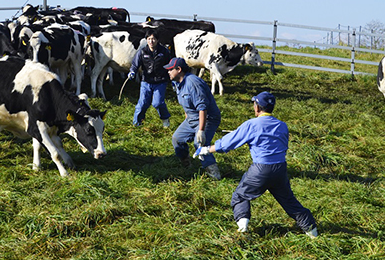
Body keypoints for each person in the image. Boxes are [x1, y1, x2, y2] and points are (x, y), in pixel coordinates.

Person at [194, 91, 319, 237]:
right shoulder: (282, 125)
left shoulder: (252, 124)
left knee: (240, 196)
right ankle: (312, 232)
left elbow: (229, 143)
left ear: (257, 107)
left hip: (261, 169)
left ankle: (242, 230)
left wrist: (207, 149)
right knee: (289, 201)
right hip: (280, 168)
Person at [164, 57, 222, 180]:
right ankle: (186, 164)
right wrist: (187, 120)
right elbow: (186, 105)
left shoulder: (193, 83)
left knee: (200, 143)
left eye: (170, 69)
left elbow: (202, 108)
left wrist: (200, 130)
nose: (168, 72)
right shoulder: (176, 83)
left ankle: (214, 174)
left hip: (207, 118)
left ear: (178, 69)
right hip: (192, 118)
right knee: (177, 138)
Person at [128, 29, 171, 127]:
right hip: (146, 81)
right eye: (149, 39)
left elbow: (170, 65)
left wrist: (173, 80)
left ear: (158, 40)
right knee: (142, 103)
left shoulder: (164, 52)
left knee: (158, 103)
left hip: (160, 81)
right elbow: (135, 64)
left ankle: (165, 120)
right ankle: (137, 124)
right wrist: (132, 71)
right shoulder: (142, 52)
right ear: (146, 40)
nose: (151, 41)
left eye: (153, 39)